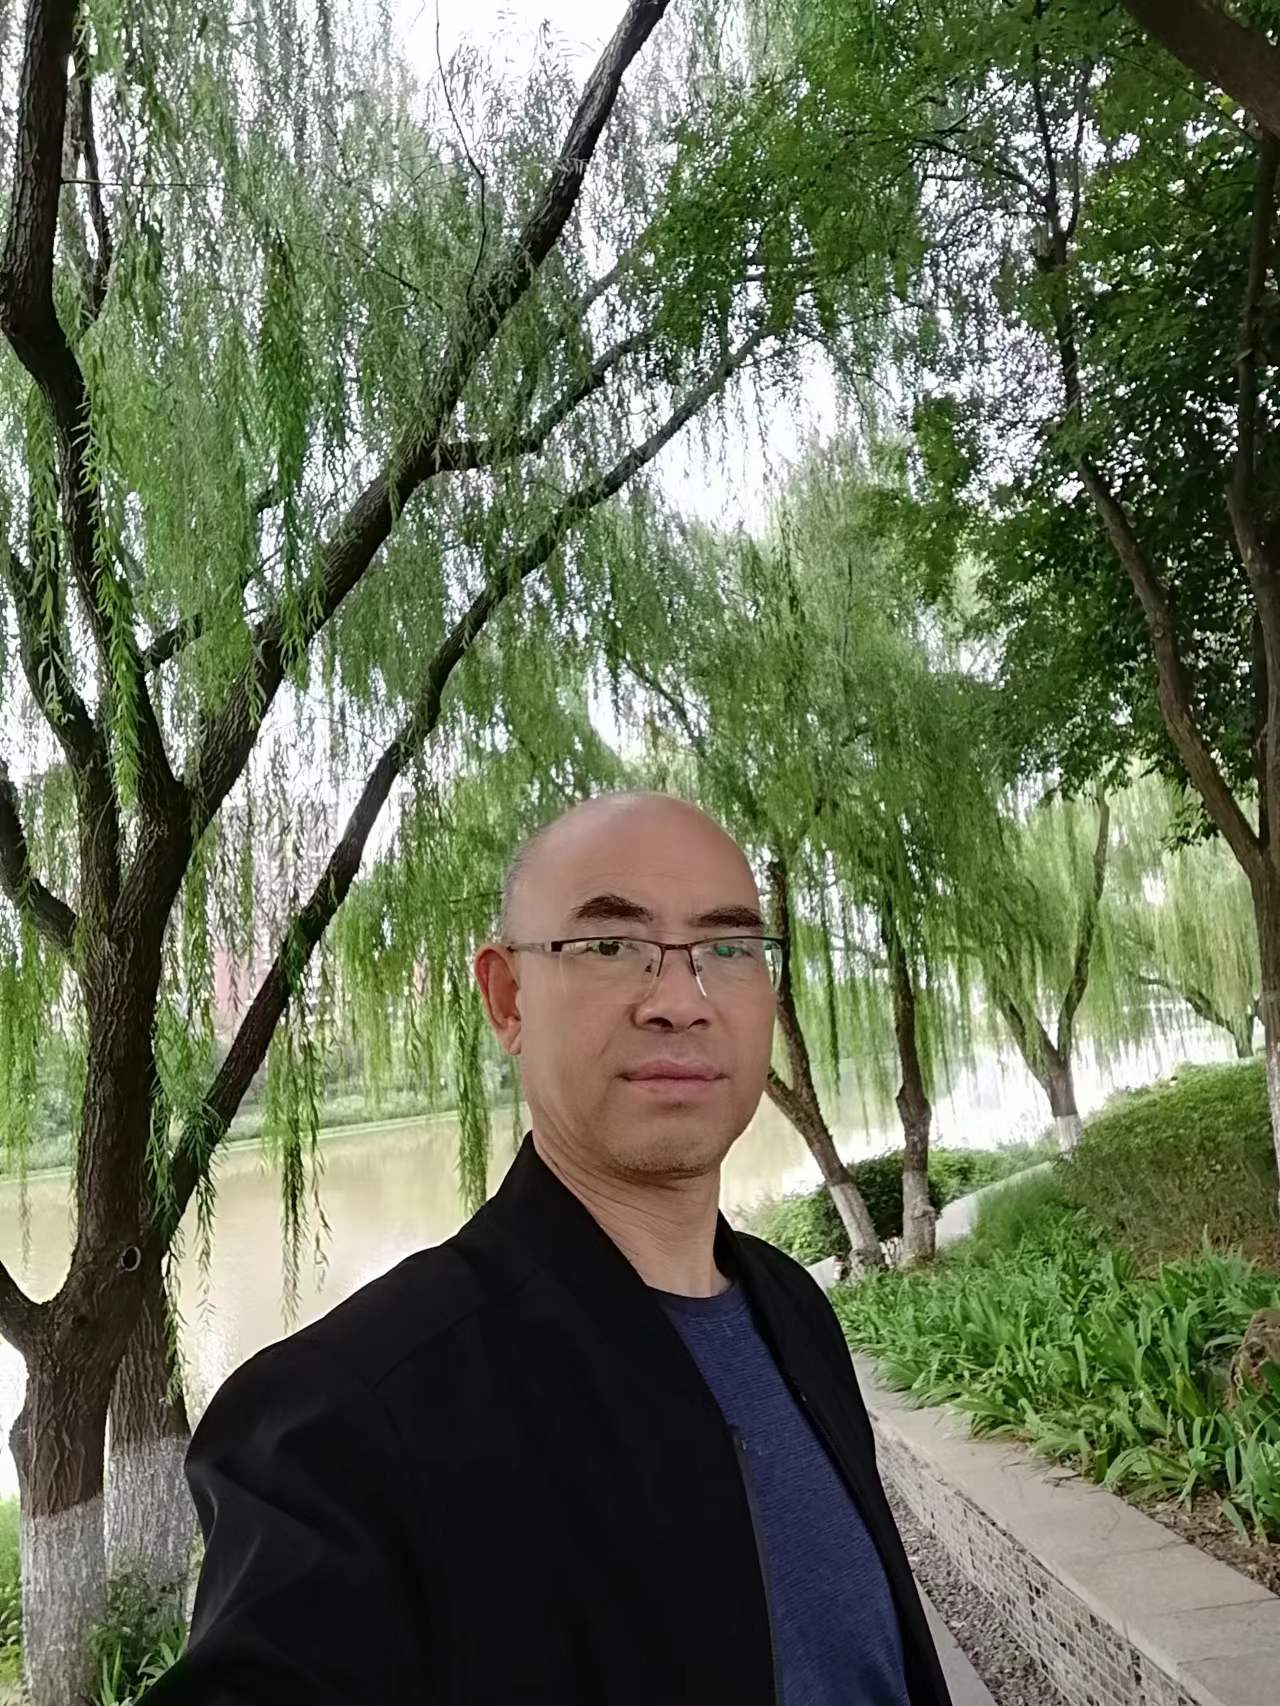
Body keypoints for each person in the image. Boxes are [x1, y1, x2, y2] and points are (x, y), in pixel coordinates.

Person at [144, 791, 951, 1706]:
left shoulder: (793, 1309)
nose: (679, 1002)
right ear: (507, 998)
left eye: (728, 948)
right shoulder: (344, 1422)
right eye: (610, 945)